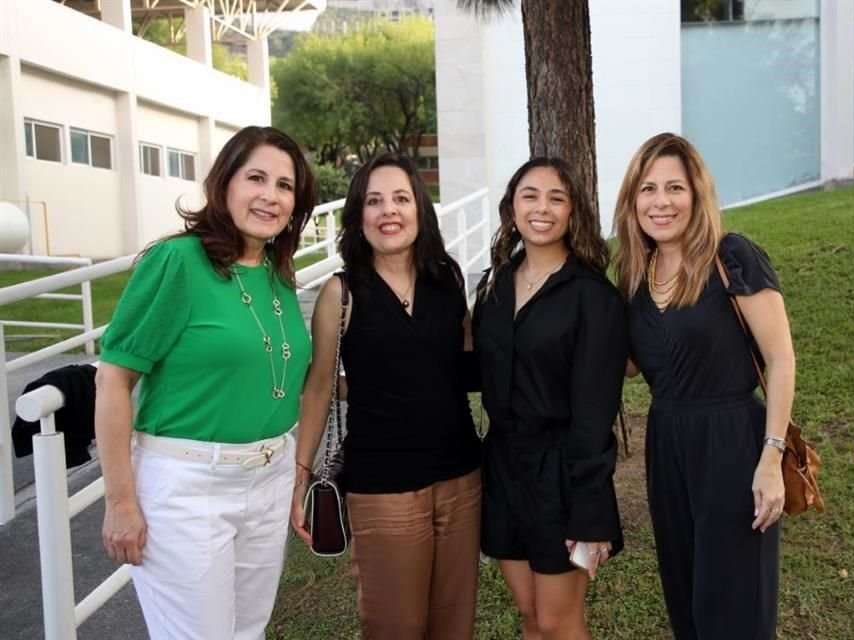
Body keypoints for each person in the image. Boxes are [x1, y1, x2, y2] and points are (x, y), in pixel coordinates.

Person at [95, 126, 318, 640]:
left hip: (268, 476)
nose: (270, 195)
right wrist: (120, 502)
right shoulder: (177, 261)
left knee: (247, 631)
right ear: (225, 183)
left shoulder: (275, 272)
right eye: (256, 178)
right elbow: (113, 379)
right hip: (188, 487)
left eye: (284, 186)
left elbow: (279, 370)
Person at [290, 153, 482, 640]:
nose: (388, 211)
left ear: (420, 209)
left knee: (453, 627)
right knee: (396, 627)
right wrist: (300, 478)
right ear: (358, 216)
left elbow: (459, 365)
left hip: (461, 480)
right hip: (383, 489)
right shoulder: (343, 293)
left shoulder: (449, 279)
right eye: (374, 201)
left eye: (401, 198)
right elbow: (317, 387)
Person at [613, 132, 794, 639]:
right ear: (633, 201)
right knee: (686, 598)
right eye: (647, 189)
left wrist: (771, 457)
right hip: (667, 442)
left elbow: (781, 359)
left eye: (675, 187)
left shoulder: (731, 256)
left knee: (734, 604)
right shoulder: (633, 273)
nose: (661, 202)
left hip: (733, 440)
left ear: (697, 194)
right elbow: (628, 366)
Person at [472, 157, 627, 639]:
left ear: (572, 211)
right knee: (530, 618)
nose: (542, 208)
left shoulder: (593, 297)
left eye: (556, 198)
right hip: (502, 468)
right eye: (530, 196)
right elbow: (478, 372)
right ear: (511, 208)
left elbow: (595, 412)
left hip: (562, 473)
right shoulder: (492, 286)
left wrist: (591, 507)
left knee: (559, 622)